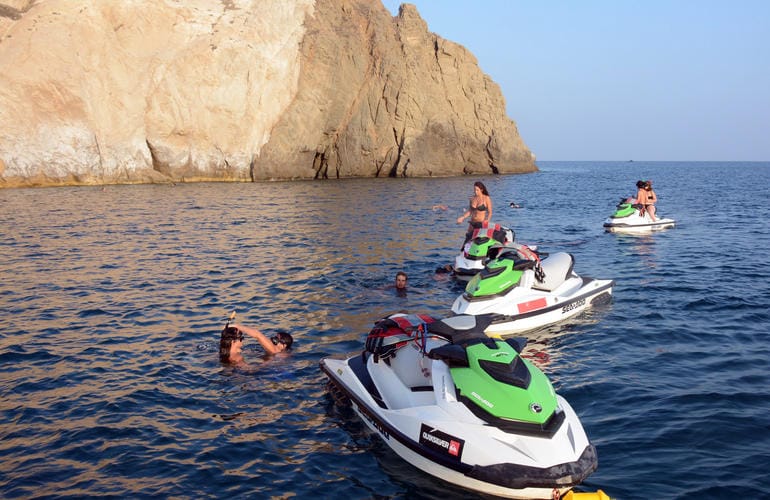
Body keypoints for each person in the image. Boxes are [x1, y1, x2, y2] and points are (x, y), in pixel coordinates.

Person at [219, 323, 293, 364]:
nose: (272, 340)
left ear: (283, 346)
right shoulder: (270, 352)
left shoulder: (278, 352)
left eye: (276, 339)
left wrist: (236, 326)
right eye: (273, 337)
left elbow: (257, 334)